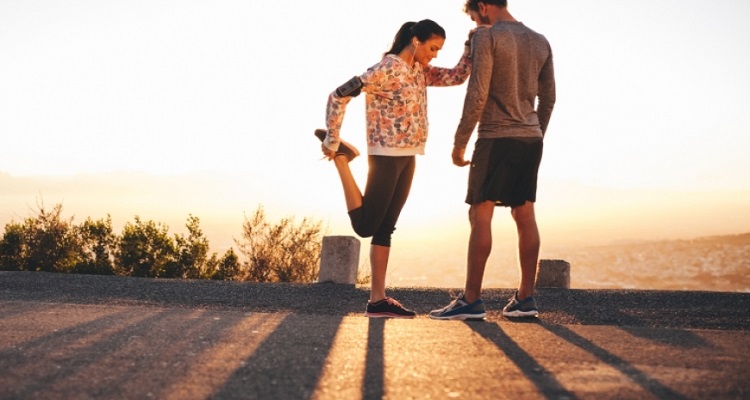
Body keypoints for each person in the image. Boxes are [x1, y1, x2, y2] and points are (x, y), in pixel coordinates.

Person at [317, 19, 472, 318]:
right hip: (385, 154)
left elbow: (456, 77)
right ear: (415, 40)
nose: (435, 55)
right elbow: (338, 94)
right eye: (432, 48)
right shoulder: (387, 67)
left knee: (386, 228)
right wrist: (332, 138)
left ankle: (377, 301)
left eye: (439, 49)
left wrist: (471, 44)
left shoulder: (419, 71)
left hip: (409, 155)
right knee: (365, 227)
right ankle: (342, 159)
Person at [429, 0, 556, 320]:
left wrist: (460, 143)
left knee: (480, 214)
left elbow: (478, 92)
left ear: (483, 6)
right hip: (530, 138)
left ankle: (471, 300)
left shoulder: (487, 37)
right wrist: (535, 130)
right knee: (525, 214)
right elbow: (549, 97)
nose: (475, 23)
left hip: (495, 138)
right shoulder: (540, 40)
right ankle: (526, 299)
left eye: (473, 16)